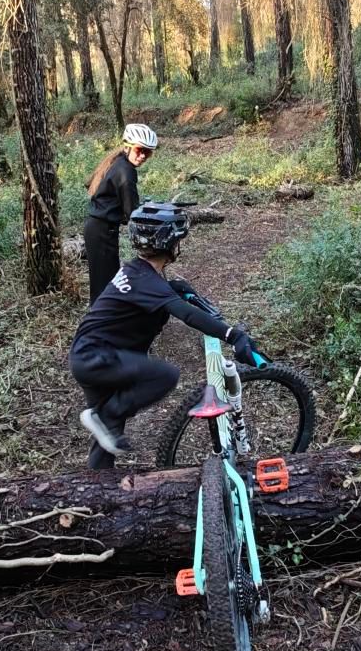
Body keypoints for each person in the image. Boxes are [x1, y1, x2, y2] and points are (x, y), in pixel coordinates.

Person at [70, 200, 263, 471]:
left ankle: (97, 484)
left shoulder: (136, 271)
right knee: (164, 376)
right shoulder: (148, 282)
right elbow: (187, 315)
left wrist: (174, 287)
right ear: (170, 244)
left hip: (88, 354)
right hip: (99, 357)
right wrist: (233, 335)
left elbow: (154, 296)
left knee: (107, 437)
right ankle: (105, 415)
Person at [82, 123, 159, 302]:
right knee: (105, 284)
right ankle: (100, 317)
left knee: (104, 281)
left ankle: (102, 315)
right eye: (139, 150)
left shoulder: (117, 162)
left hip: (99, 228)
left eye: (148, 152)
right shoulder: (126, 171)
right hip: (102, 230)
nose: (142, 156)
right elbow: (132, 211)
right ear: (128, 146)